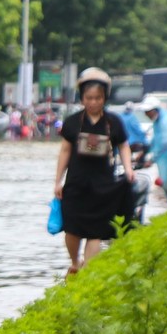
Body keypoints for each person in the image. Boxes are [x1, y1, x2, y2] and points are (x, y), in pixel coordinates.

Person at [52, 68, 135, 276]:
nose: (93, 102)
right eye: (89, 98)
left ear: (104, 98)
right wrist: (57, 181)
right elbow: (65, 150)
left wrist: (128, 169)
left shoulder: (113, 122)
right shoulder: (72, 122)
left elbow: (124, 146)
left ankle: (89, 274)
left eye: (98, 98)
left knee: (96, 232)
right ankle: (75, 262)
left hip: (103, 186)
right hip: (76, 183)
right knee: (72, 228)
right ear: (82, 99)